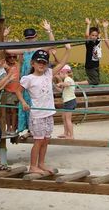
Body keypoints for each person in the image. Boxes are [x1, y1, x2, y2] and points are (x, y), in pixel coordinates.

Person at [16, 45, 71, 175]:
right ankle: (33, 166)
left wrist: (68, 50)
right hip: (37, 115)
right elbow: (18, 91)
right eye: (39, 62)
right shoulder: (28, 78)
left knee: (46, 140)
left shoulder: (48, 73)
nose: (41, 64)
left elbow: (62, 63)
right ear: (32, 63)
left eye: (44, 62)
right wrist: (23, 102)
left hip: (48, 113)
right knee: (39, 140)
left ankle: (41, 163)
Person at [8, 20, 56, 133]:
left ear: (36, 37)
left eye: (32, 38)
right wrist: (4, 37)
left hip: (37, 78)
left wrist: (49, 31)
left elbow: (52, 44)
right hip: (27, 79)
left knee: (35, 101)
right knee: (25, 101)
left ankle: (33, 129)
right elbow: (7, 50)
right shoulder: (24, 49)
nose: (30, 40)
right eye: (28, 38)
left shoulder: (39, 49)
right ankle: (26, 128)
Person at [56, 64, 88, 139]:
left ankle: (71, 135)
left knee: (67, 119)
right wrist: (55, 86)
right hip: (67, 101)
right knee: (64, 117)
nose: (59, 75)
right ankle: (65, 133)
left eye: (59, 73)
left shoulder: (68, 79)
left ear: (63, 72)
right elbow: (62, 91)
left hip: (70, 101)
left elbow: (67, 84)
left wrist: (60, 83)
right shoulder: (66, 79)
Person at [3, 52, 20, 135]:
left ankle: (13, 128)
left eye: (14, 56)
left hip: (16, 90)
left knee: (13, 110)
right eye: (10, 57)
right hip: (7, 90)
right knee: (7, 110)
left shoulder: (18, 65)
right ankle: (8, 127)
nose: (12, 58)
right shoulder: (5, 66)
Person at [85, 18, 102, 85]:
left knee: (96, 81)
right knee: (95, 81)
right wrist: (88, 24)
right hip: (90, 66)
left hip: (96, 65)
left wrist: (97, 24)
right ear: (90, 35)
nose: (94, 37)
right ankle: (78, 83)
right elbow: (86, 35)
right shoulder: (89, 43)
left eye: (95, 35)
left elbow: (99, 33)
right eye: (92, 35)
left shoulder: (97, 41)